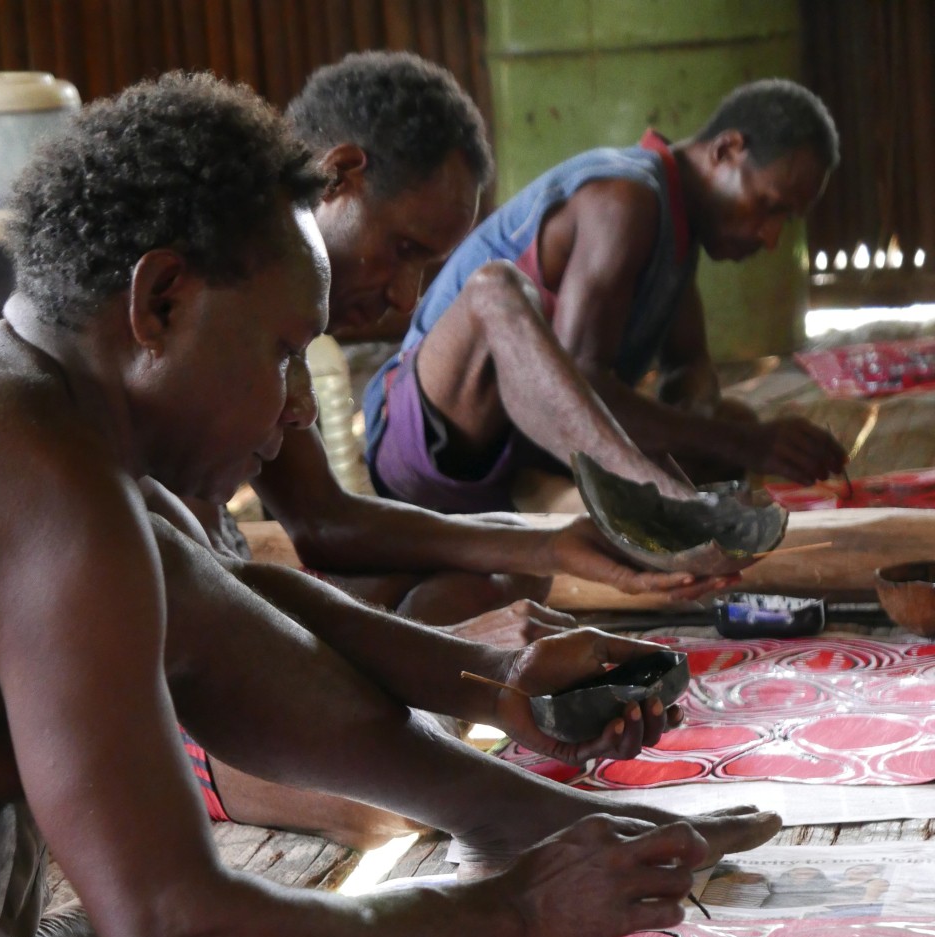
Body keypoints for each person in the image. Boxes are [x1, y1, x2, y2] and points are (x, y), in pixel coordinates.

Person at [0, 74, 780, 937]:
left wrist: (497, 682)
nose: (288, 411)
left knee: (195, 584)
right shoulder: (37, 482)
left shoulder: (45, 419)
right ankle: (517, 845)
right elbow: (181, 936)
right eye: (280, 352)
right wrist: (513, 910)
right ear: (160, 301)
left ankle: (510, 813)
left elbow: (250, 607)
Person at [216, 52, 731, 649]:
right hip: (190, 661)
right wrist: (463, 666)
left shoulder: (275, 306)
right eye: (404, 247)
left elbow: (324, 521)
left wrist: (550, 543)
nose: (407, 297)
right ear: (339, 178)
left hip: (227, 616)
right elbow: (201, 612)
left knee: (517, 574)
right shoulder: (218, 290)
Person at [365, 78, 848, 520]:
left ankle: (548, 497)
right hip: (425, 439)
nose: (769, 237)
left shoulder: (678, 229)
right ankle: (547, 499)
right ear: (726, 150)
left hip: (523, 442)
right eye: (769, 206)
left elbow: (689, 365)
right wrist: (744, 444)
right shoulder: (626, 198)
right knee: (728, 440)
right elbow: (583, 383)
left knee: (728, 429)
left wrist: (708, 429)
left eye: (785, 221)